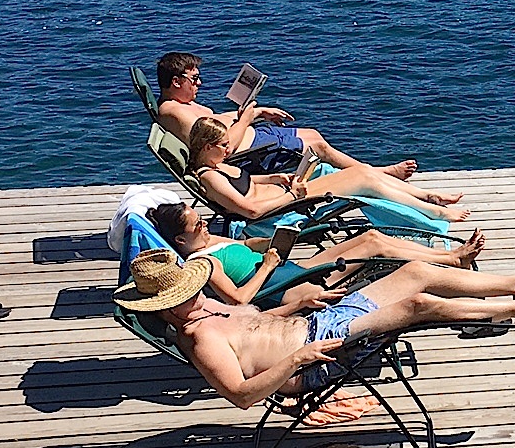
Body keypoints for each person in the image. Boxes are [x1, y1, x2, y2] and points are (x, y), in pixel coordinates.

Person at [114, 248, 515, 425]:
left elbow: (256, 321)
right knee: (419, 306)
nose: (194, 293)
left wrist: (292, 305)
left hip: (320, 324)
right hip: (319, 357)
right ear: (167, 309)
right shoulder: (199, 340)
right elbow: (240, 396)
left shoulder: (206, 305)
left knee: (416, 271)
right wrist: (298, 361)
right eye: (183, 293)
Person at [145, 200, 484, 307]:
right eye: (196, 224)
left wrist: (272, 243)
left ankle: (453, 258)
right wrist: (268, 266)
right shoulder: (202, 263)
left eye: (201, 218)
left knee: (372, 238)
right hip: (288, 287)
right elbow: (238, 300)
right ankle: (454, 263)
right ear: (179, 238)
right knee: (381, 263)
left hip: (290, 267)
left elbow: (245, 247)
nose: (204, 223)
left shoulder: (209, 241)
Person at [153, 50, 414, 179]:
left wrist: (257, 112)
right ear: (176, 82)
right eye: (195, 79)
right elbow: (225, 148)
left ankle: (366, 172)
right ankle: (377, 174)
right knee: (318, 147)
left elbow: (214, 126)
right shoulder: (175, 113)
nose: (199, 84)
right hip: (248, 155)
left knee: (313, 135)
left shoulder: (182, 106)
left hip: (254, 137)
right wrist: (247, 115)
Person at [188, 116, 472, 226]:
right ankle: (433, 211)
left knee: (365, 174)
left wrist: (275, 178)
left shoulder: (217, 165)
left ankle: (426, 196)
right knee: (363, 178)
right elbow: (250, 211)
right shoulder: (210, 177)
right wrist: (290, 195)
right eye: (223, 145)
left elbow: (247, 181)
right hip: (284, 205)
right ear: (206, 146)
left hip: (285, 190)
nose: (229, 149)